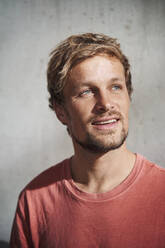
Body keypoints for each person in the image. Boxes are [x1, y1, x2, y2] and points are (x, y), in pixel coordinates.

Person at [10, 33, 165, 248]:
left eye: (115, 87)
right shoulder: (34, 201)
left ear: (129, 95)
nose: (106, 103)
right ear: (60, 111)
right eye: (86, 92)